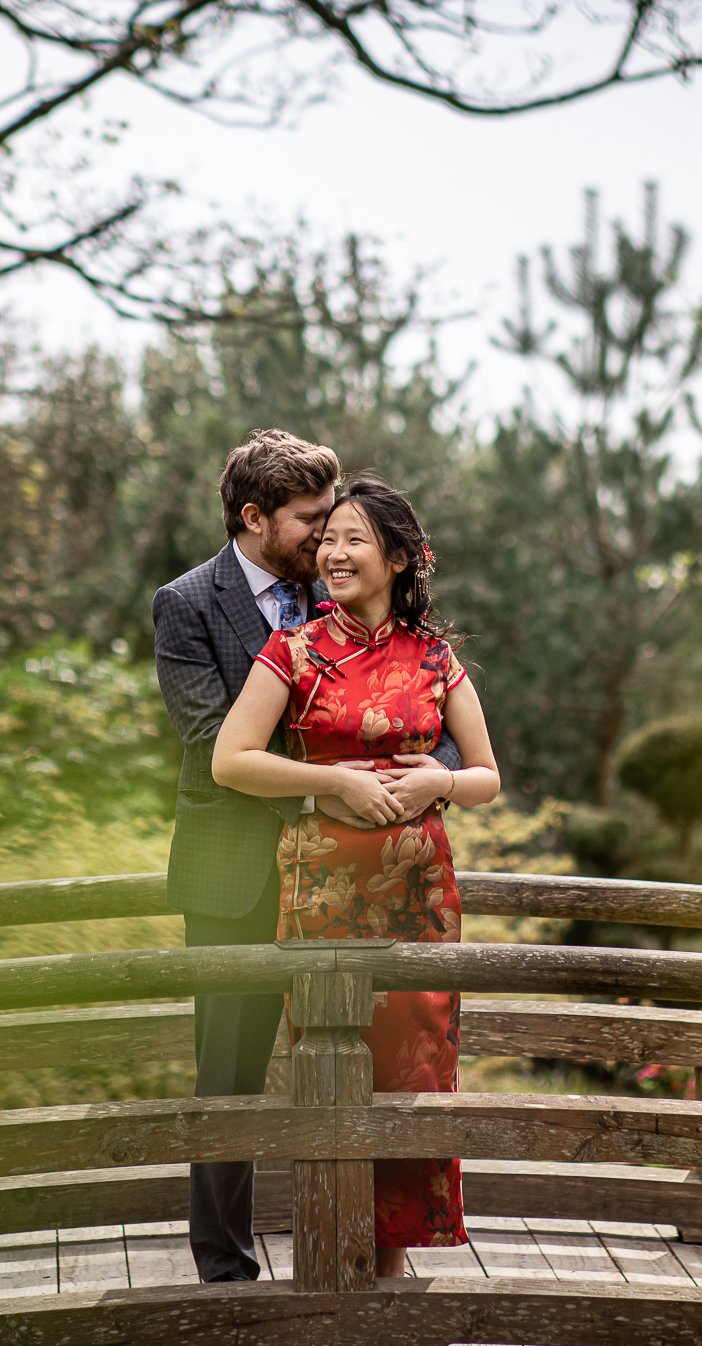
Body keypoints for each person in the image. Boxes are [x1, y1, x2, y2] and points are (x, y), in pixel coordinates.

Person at [153, 432, 462, 1283]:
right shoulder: (186, 604)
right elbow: (212, 736)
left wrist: (421, 777)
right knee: (231, 1070)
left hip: (352, 876)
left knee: (365, 1058)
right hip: (238, 873)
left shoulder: (343, 602)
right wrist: (329, 788)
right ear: (254, 519)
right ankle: (225, 1265)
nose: (326, 538)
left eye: (337, 523)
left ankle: (355, 1246)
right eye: (311, 521)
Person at [211, 474, 500, 1279]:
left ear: (400, 558)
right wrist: (334, 782)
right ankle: (335, 1252)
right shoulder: (295, 650)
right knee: (335, 1069)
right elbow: (230, 759)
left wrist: (436, 782)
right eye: (327, 538)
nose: (332, 553)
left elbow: (487, 776)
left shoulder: (436, 657)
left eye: (353, 540)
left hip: (419, 900)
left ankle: (391, 1262)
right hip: (325, 898)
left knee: (415, 1066)